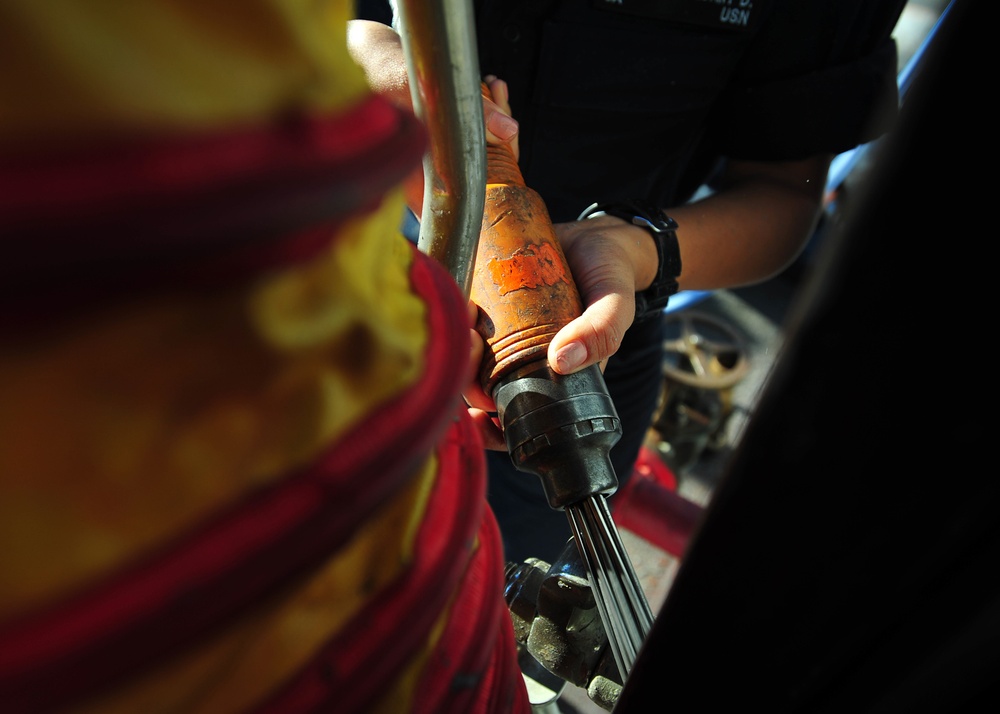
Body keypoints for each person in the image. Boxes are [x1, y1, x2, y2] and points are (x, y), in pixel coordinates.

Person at [349, 0, 909, 566]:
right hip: (340, 296)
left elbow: (783, 193)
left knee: (496, 593)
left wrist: (634, 246)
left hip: (604, 341)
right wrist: (360, 56)